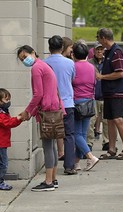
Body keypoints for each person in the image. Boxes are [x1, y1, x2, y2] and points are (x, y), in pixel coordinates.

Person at [17, 45, 64, 191]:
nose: (25, 60)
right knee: (53, 146)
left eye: (25, 57)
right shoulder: (45, 65)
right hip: (54, 108)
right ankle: (53, 179)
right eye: (22, 59)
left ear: (33, 52)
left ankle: (48, 182)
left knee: (47, 146)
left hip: (46, 111)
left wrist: (27, 112)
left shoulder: (36, 68)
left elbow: (38, 94)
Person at [96, 28, 123, 160]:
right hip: (109, 92)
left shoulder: (116, 52)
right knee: (110, 120)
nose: (98, 40)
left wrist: (102, 76)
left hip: (118, 91)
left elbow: (120, 73)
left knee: (118, 120)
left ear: (104, 38)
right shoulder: (108, 52)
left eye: (98, 38)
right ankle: (112, 149)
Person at [45, 35, 77, 175]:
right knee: (69, 135)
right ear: (62, 48)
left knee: (50, 136)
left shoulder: (44, 63)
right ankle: (69, 166)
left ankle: (52, 167)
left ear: (49, 48)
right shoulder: (70, 63)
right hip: (68, 103)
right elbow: (72, 79)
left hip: (51, 105)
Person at [72, 41, 99, 171]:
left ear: (74, 55)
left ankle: (90, 157)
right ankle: (76, 163)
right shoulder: (91, 67)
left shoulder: (73, 66)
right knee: (82, 134)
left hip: (77, 102)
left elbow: (70, 83)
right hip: (89, 101)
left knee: (76, 134)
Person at [87, 42, 111, 151]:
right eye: (97, 50)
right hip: (94, 96)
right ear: (94, 51)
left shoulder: (108, 62)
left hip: (105, 95)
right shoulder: (89, 63)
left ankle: (107, 141)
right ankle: (89, 142)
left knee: (106, 120)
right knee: (91, 121)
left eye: (101, 50)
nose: (99, 52)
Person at [0, 88, 22, 190]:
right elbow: (8, 123)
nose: (8, 102)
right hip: (1, 143)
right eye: (6, 100)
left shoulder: (4, 111)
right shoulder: (1, 114)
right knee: (3, 164)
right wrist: (18, 119)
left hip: (3, 142)